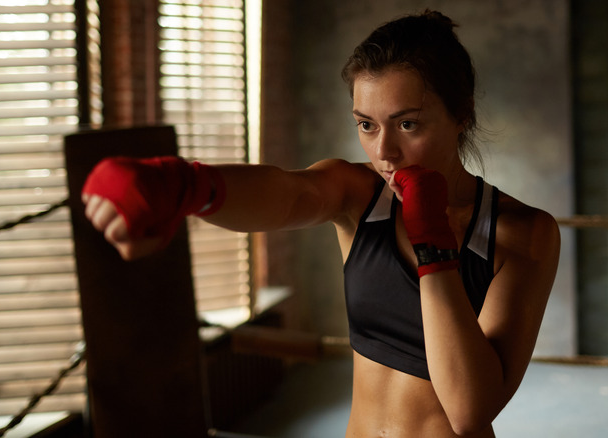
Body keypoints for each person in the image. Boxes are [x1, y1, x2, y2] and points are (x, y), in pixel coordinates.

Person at [81, 10, 560, 437]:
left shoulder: (521, 233)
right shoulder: (360, 195)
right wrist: (184, 185)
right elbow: (287, 195)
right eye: (367, 124)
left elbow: (469, 411)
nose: (384, 152)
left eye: (408, 124)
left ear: (462, 114)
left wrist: (432, 241)